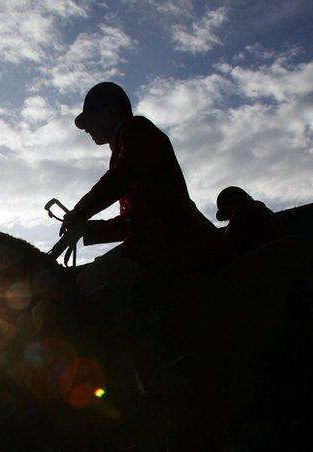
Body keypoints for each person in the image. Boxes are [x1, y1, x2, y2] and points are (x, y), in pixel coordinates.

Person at [62, 82, 233, 316]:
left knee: (90, 280)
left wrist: (80, 212)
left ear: (109, 110)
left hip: (174, 241)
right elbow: (133, 222)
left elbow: (122, 176)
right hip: (163, 241)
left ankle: (134, 343)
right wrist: (87, 230)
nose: (86, 129)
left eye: (90, 119)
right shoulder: (124, 146)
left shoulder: (137, 129)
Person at [215, 186, 285, 255]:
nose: (228, 219)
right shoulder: (259, 210)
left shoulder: (244, 212)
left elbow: (226, 246)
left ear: (234, 202)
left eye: (227, 214)